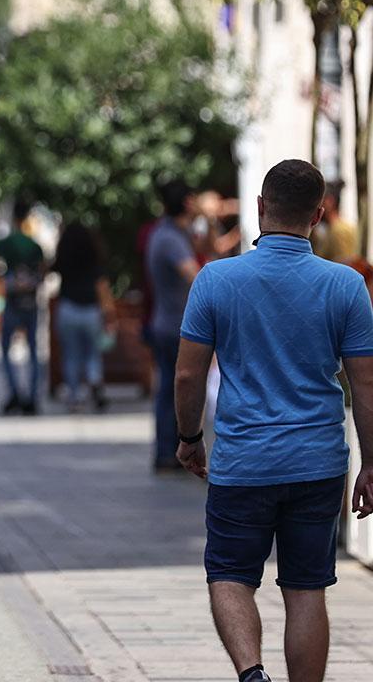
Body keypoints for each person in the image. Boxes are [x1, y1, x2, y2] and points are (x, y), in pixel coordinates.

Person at [175, 160, 373, 682]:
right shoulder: (347, 286)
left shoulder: (216, 280)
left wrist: (190, 438)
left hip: (244, 461)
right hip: (318, 462)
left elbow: (187, 377)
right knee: (307, 589)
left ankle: (251, 673)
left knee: (230, 575)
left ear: (261, 208)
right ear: (320, 214)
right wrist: (371, 464)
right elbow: (368, 384)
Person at [147, 181, 201, 472]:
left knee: (169, 388)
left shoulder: (170, 234)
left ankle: (168, 450)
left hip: (166, 322)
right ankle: (168, 451)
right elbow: (195, 275)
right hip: (174, 325)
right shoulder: (170, 238)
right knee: (174, 389)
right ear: (187, 203)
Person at [51, 223, 114, 412]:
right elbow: (101, 287)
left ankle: (74, 395)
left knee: (71, 355)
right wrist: (109, 314)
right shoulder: (94, 259)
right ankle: (95, 382)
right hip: (91, 311)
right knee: (92, 354)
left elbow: (49, 270)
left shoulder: (64, 258)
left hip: (68, 308)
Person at [0, 202, 45, 415]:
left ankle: (15, 392)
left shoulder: (7, 243)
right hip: (31, 303)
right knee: (33, 351)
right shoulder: (34, 245)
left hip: (13, 302)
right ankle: (32, 396)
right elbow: (43, 271)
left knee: (6, 350)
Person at [314, 180, 356, 265]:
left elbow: (344, 267)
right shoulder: (333, 229)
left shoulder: (339, 231)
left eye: (320, 201)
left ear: (329, 201)